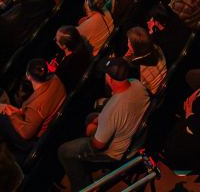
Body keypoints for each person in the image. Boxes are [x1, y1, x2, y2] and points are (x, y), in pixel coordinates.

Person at [56, 57, 150, 190]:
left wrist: (93, 127)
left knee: (64, 151)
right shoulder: (137, 85)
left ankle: (82, 187)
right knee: (90, 117)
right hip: (135, 138)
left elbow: (98, 145)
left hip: (115, 153)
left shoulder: (110, 112)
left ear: (110, 79)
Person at [0, 58, 66, 151]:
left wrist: (12, 116)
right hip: (52, 126)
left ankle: (10, 148)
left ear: (29, 77)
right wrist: (20, 112)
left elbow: (26, 134)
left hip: (38, 141)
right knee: (1, 108)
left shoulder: (36, 105)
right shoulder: (56, 79)